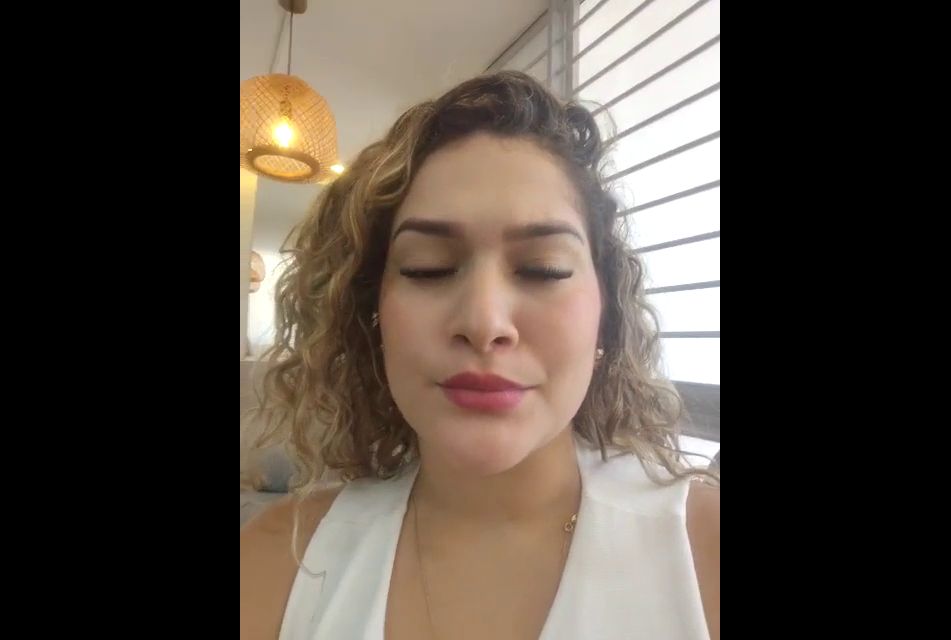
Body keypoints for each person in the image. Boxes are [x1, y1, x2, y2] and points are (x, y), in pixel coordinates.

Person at [240, 70, 719, 640]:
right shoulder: (277, 561)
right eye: (428, 268)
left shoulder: (703, 554)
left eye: (543, 269)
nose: (484, 323)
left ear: (605, 316)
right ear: (371, 313)